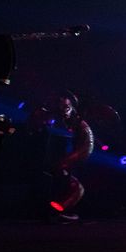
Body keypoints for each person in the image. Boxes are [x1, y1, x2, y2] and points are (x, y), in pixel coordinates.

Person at [49, 93, 93, 222]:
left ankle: (57, 210)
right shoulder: (55, 119)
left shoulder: (79, 125)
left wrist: (66, 162)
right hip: (54, 158)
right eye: (60, 106)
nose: (62, 110)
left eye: (66, 107)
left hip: (67, 160)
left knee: (76, 188)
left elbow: (86, 147)